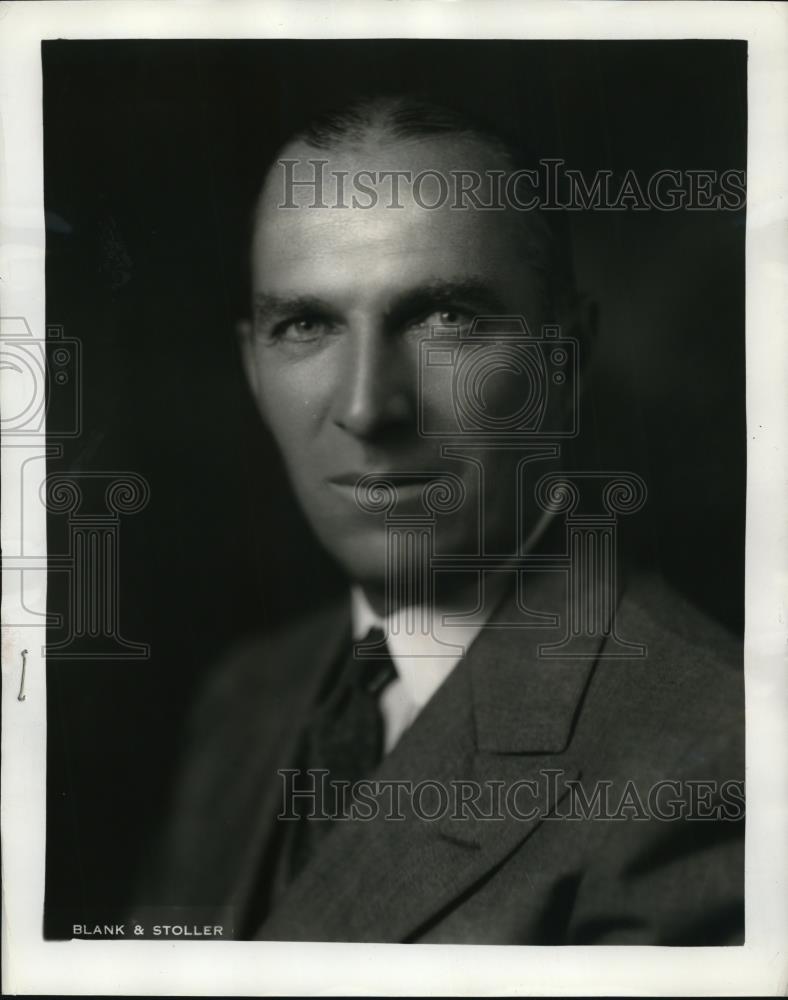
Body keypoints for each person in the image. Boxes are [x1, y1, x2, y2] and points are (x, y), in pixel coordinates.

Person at [137, 96, 744, 944]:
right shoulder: (245, 700)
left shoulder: (716, 762)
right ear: (251, 367)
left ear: (564, 361)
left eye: (445, 318)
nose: (366, 406)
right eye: (305, 324)